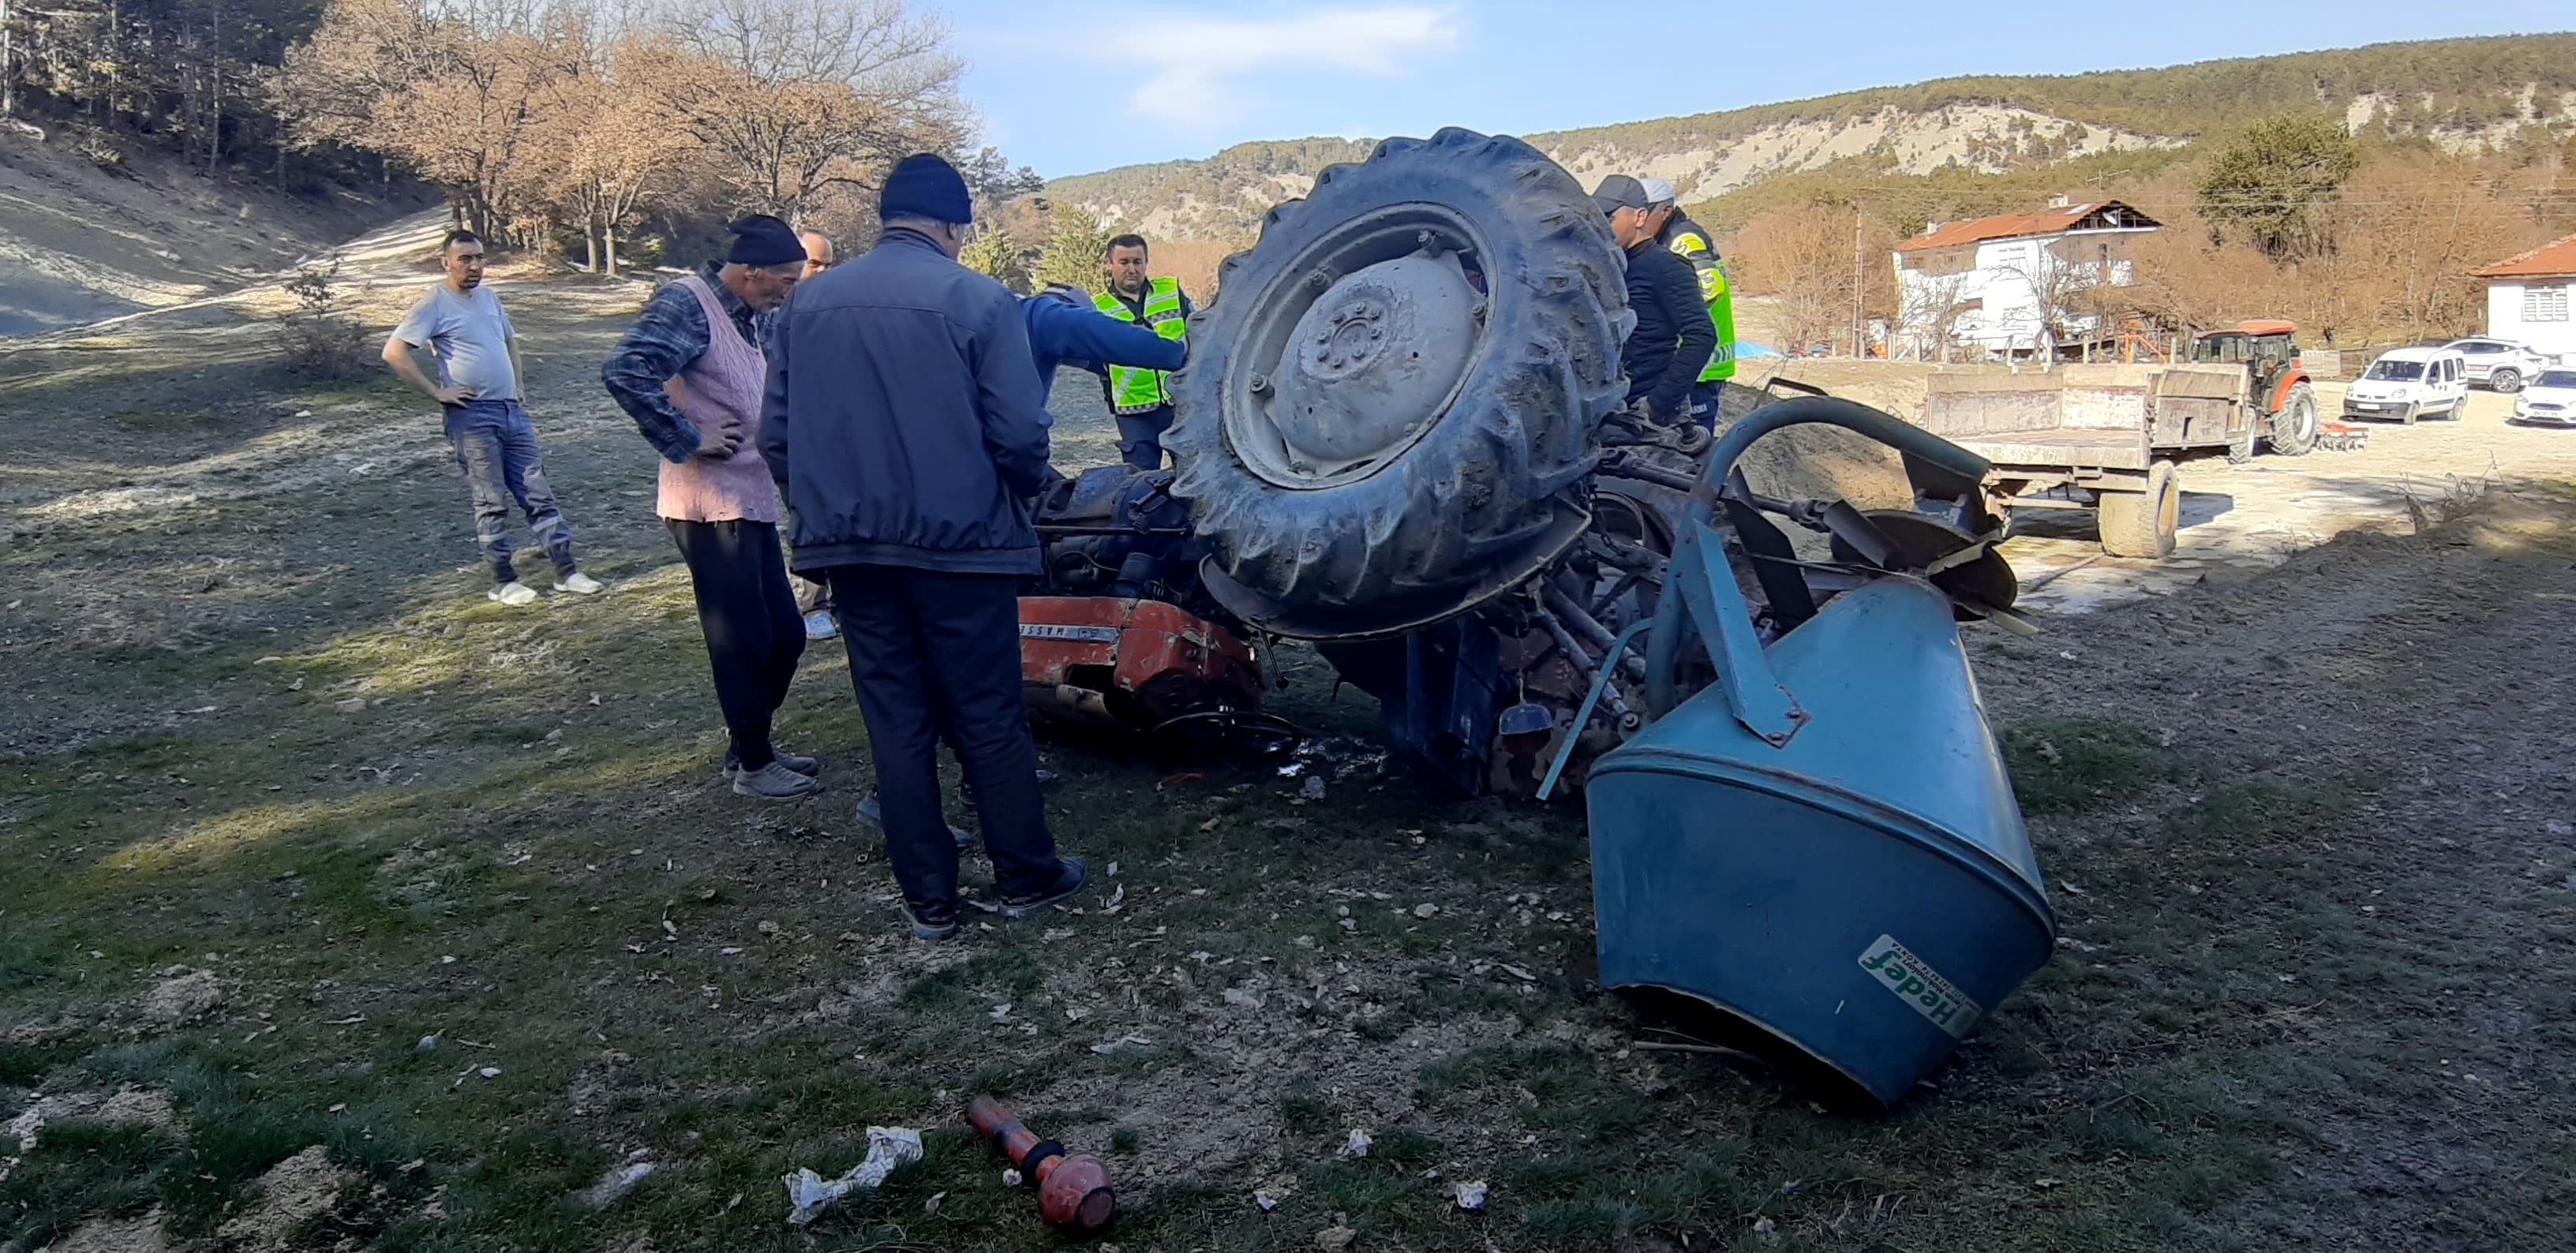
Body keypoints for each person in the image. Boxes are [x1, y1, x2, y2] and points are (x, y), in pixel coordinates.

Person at [761, 152, 1086, 941]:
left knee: (895, 717)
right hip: (963, 546)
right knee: (987, 712)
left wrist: (824, 507)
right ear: (951, 223)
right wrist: (1025, 487)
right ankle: (1024, 874)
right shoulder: (979, 299)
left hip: (852, 554)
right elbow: (1017, 431)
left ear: (886, 215)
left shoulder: (805, 307)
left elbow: (776, 435)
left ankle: (930, 900)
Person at [601, 215, 821, 801]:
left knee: (786, 637)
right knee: (742, 638)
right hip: (707, 503)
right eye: (783, 279)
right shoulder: (689, 302)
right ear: (750, 272)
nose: (786, 290)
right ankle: (752, 764)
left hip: (748, 499)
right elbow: (625, 369)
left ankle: (751, 747)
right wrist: (686, 436)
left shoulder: (749, 317)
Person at [384, 230, 604, 606]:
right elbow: (394, 352)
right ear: (446, 262)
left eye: (479, 258)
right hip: (471, 417)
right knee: (491, 500)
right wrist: (438, 393)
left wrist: (518, 385)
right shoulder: (434, 302)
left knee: (538, 492)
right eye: (465, 259)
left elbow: (509, 340)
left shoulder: (489, 298)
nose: (474, 266)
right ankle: (503, 581)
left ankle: (567, 573)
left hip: (510, 411)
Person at [1593, 175, 1715, 425]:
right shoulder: (1611, 267)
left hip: (1647, 414)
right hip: (1612, 410)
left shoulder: (1666, 267)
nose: (1600, 227)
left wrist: (1658, 404)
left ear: (1639, 217)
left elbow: (1701, 335)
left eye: (1609, 218)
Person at [1641, 177, 1739, 427]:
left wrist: (1662, 317)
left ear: (1665, 211)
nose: (1640, 221)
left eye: (1645, 213)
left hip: (1700, 366)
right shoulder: (1670, 236)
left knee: (1691, 445)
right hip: (1696, 364)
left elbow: (1710, 286)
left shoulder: (1684, 239)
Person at [1091, 234, 1193, 469]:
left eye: (1137, 262)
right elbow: (1097, 364)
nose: (1131, 269)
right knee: (1142, 485)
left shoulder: (1171, 292)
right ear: (1110, 264)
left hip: (1180, 402)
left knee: (1192, 473)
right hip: (1134, 414)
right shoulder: (1097, 308)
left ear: (1146, 262)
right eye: (1123, 262)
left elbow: (1200, 333)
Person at [790, 226, 841, 642]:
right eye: (813, 263)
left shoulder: (832, 308)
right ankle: (810, 605)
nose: (821, 272)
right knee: (800, 517)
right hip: (790, 433)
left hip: (831, 429)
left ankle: (832, 599)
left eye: (827, 264)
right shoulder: (776, 311)